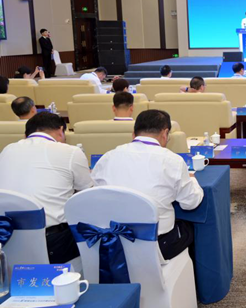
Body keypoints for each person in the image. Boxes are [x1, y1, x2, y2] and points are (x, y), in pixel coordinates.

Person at [92, 110, 203, 260]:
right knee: (190, 228)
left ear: (133, 134)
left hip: (112, 241)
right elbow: (190, 203)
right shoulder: (173, 161)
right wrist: (193, 180)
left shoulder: (107, 157)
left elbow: (94, 194)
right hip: (157, 244)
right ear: (165, 133)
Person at [0, 112, 91, 263]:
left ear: (26, 134)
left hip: (7, 239)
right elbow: (86, 194)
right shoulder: (70, 151)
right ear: (61, 130)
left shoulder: (7, 150)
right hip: (51, 242)